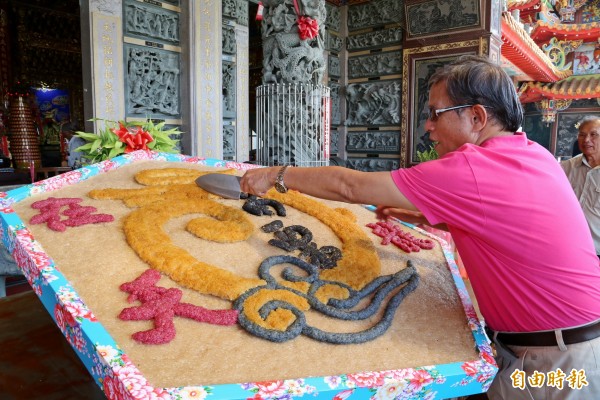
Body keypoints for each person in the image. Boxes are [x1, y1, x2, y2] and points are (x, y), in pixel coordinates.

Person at [241, 55, 600, 400]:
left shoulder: (474, 167)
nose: (428, 127)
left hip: (558, 361)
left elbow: (350, 187)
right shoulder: (533, 153)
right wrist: (436, 217)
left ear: (476, 117)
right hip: (568, 345)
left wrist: (275, 174)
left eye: (434, 114)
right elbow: (516, 224)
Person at [561, 116, 600, 258]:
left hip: (597, 252)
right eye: (582, 135)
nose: (586, 140)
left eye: (593, 134)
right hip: (568, 248)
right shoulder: (566, 168)